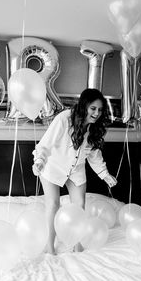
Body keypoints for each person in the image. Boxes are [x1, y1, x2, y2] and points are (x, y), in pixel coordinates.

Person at [32, 88, 117, 254]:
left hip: (76, 168)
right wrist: (40, 161)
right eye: (93, 108)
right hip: (52, 165)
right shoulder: (64, 119)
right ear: (84, 106)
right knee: (53, 204)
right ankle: (49, 246)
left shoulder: (94, 127)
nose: (97, 113)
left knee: (80, 205)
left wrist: (105, 174)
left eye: (100, 110)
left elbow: (93, 154)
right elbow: (45, 144)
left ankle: (77, 244)